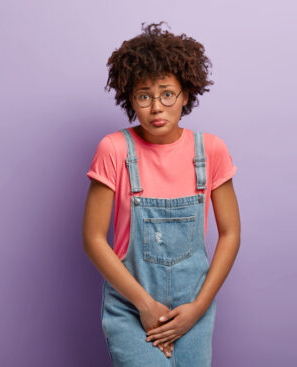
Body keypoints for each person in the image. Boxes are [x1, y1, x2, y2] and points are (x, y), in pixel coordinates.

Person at [82, 21, 241, 366]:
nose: (156, 107)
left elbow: (230, 234)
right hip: (130, 304)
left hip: (193, 307)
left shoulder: (210, 150)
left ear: (186, 94)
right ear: (130, 99)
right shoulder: (114, 149)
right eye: (144, 96)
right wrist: (145, 305)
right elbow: (93, 238)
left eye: (167, 93)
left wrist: (198, 307)